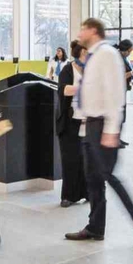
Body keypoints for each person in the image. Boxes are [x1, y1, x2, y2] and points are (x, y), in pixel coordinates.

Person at [65, 18, 133, 250]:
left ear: (93, 31)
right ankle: (95, 227)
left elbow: (115, 93)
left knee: (109, 176)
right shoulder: (93, 56)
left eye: (83, 29)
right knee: (93, 179)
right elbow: (92, 92)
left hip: (103, 125)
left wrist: (111, 129)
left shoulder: (107, 55)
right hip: (91, 125)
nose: (79, 33)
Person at [55, 40, 87, 207]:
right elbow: (64, 90)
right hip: (69, 121)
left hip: (88, 121)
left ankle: (87, 192)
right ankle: (68, 196)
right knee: (70, 159)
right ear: (81, 52)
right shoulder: (68, 69)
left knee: (85, 160)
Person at [116, 39, 133, 147]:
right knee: (118, 115)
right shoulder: (117, 58)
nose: (130, 53)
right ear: (125, 50)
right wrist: (132, 73)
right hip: (117, 91)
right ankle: (115, 140)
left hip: (122, 89)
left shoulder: (123, 58)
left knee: (122, 115)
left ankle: (118, 138)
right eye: (130, 51)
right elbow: (118, 76)